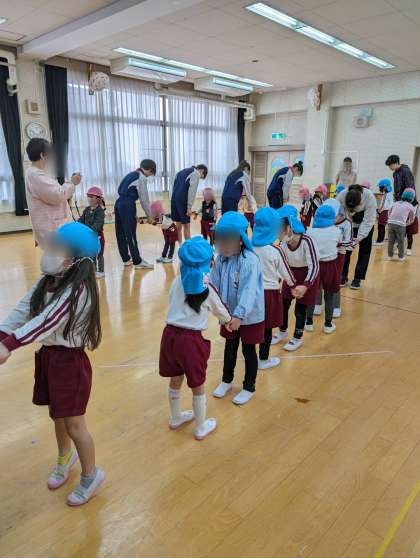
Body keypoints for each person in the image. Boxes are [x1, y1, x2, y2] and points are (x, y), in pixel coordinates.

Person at [0, 222, 105, 506]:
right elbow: (23, 309)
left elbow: (47, 321)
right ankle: (64, 458)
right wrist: (2, 334)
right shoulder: (48, 279)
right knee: (57, 416)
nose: (50, 251)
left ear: (75, 258)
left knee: (74, 425)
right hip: (49, 358)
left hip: (70, 363)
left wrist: (9, 345)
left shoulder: (79, 289)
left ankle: (91, 475)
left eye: (58, 247)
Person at [159, 237, 231, 440]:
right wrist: (229, 321)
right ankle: (201, 426)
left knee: (176, 376)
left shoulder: (176, 281)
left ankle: (176, 417)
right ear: (209, 263)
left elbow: (172, 302)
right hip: (190, 341)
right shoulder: (207, 288)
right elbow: (222, 311)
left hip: (169, 336)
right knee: (197, 383)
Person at [210, 212, 265, 405]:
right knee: (230, 348)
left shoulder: (249, 261)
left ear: (241, 240)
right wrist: (221, 313)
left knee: (249, 351)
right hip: (228, 316)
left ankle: (249, 386)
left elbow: (248, 291)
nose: (223, 245)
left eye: (228, 240)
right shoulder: (221, 259)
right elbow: (213, 286)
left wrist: (239, 315)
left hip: (249, 316)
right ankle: (226, 380)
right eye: (220, 240)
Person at [252, 207, 296, 369]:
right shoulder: (275, 250)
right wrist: (293, 285)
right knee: (267, 329)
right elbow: (286, 272)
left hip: (251, 294)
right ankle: (263, 360)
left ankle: (251, 358)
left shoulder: (248, 248)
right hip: (270, 295)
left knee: (252, 326)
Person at [273, 205, 320, 351]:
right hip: (290, 275)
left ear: (290, 227)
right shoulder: (283, 243)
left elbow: (315, 266)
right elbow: (281, 264)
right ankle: (282, 330)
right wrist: (278, 280)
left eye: (280, 228)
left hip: (307, 277)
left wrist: (305, 286)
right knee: (283, 304)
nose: (277, 233)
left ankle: (297, 337)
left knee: (300, 309)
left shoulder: (307, 241)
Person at [24, 138, 81, 248]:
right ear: (42, 155)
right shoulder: (36, 175)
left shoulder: (36, 173)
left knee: (58, 256)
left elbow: (54, 193)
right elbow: (58, 195)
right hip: (52, 228)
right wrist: (72, 182)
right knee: (58, 257)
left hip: (52, 226)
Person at [306, 204, 343, 334]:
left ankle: (308, 322)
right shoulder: (337, 231)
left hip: (314, 266)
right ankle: (328, 324)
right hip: (330, 265)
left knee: (312, 294)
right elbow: (339, 246)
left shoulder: (309, 231)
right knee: (329, 295)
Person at [114, 159, 156, 270]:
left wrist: (131, 213)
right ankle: (137, 261)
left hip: (119, 203)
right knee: (131, 234)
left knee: (120, 233)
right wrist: (149, 216)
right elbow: (144, 200)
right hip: (127, 204)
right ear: (149, 170)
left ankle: (126, 259)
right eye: (151, 174)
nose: (149, 176)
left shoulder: (131, 174)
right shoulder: (141, 177)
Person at [337, 184, 377, 290]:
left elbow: (368, 221)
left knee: (364, 252)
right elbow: (340, 216)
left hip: (365, 225)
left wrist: (358, 238)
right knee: (345, 250)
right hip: (348, 224)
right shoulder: (341, 196)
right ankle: (343, 275)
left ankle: (357, 278)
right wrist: (346, 232)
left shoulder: (370, 198)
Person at [171, 164, 208, 243]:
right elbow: (192, 192)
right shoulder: (196, 173)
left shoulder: (181, 172)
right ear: (202, 171)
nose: (199, 178)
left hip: (174, 199)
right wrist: (189, 208)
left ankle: (180, 246)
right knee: (186, 226)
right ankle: (189, 247)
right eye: (201, 176)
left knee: (178, 226)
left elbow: (174, 186)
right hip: (183, 201)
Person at [78, 186, 106, 278]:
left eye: (91, 196)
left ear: (98, 199)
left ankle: (101, 271)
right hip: (88, 236)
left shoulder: (100, 211)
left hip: (98, 236)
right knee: (92, 254)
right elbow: (81, 220)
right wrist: (77, 225)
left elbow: (98, 223)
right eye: (88, 196)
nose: (89, 199)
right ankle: (93, 270)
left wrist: (89, 231)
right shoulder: (87, 209)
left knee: (99, 254)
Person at [386, 189, 415, 262]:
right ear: (411, 198)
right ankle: (401, 257)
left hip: (390, 223)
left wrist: (389, 218)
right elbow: (411, 219)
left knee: (391, 241)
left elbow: (389, 211)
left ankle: (389, 256)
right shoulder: (410, 206)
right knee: (400, 241)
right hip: (401, 225)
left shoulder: (395, 203)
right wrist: (406, 224)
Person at [373, 178, 393, 246]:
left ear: (385, 187)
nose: (380, 188)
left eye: (381, 187)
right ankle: (379, 240)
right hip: (384, 211)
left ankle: (380, 241)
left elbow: (387, 205)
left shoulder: (388, 194)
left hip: (385, 212)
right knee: (381, 226)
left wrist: (380, 210)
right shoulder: (387, 193)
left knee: (381, 226)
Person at [405, 188, 418, 256]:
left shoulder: (415, 203)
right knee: (401, 234)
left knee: (409, 235)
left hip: (411, 219)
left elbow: (413, 213)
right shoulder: (403, 201)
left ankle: (409, 249)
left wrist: (408, 222)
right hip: (404, 218)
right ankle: (399, 247)